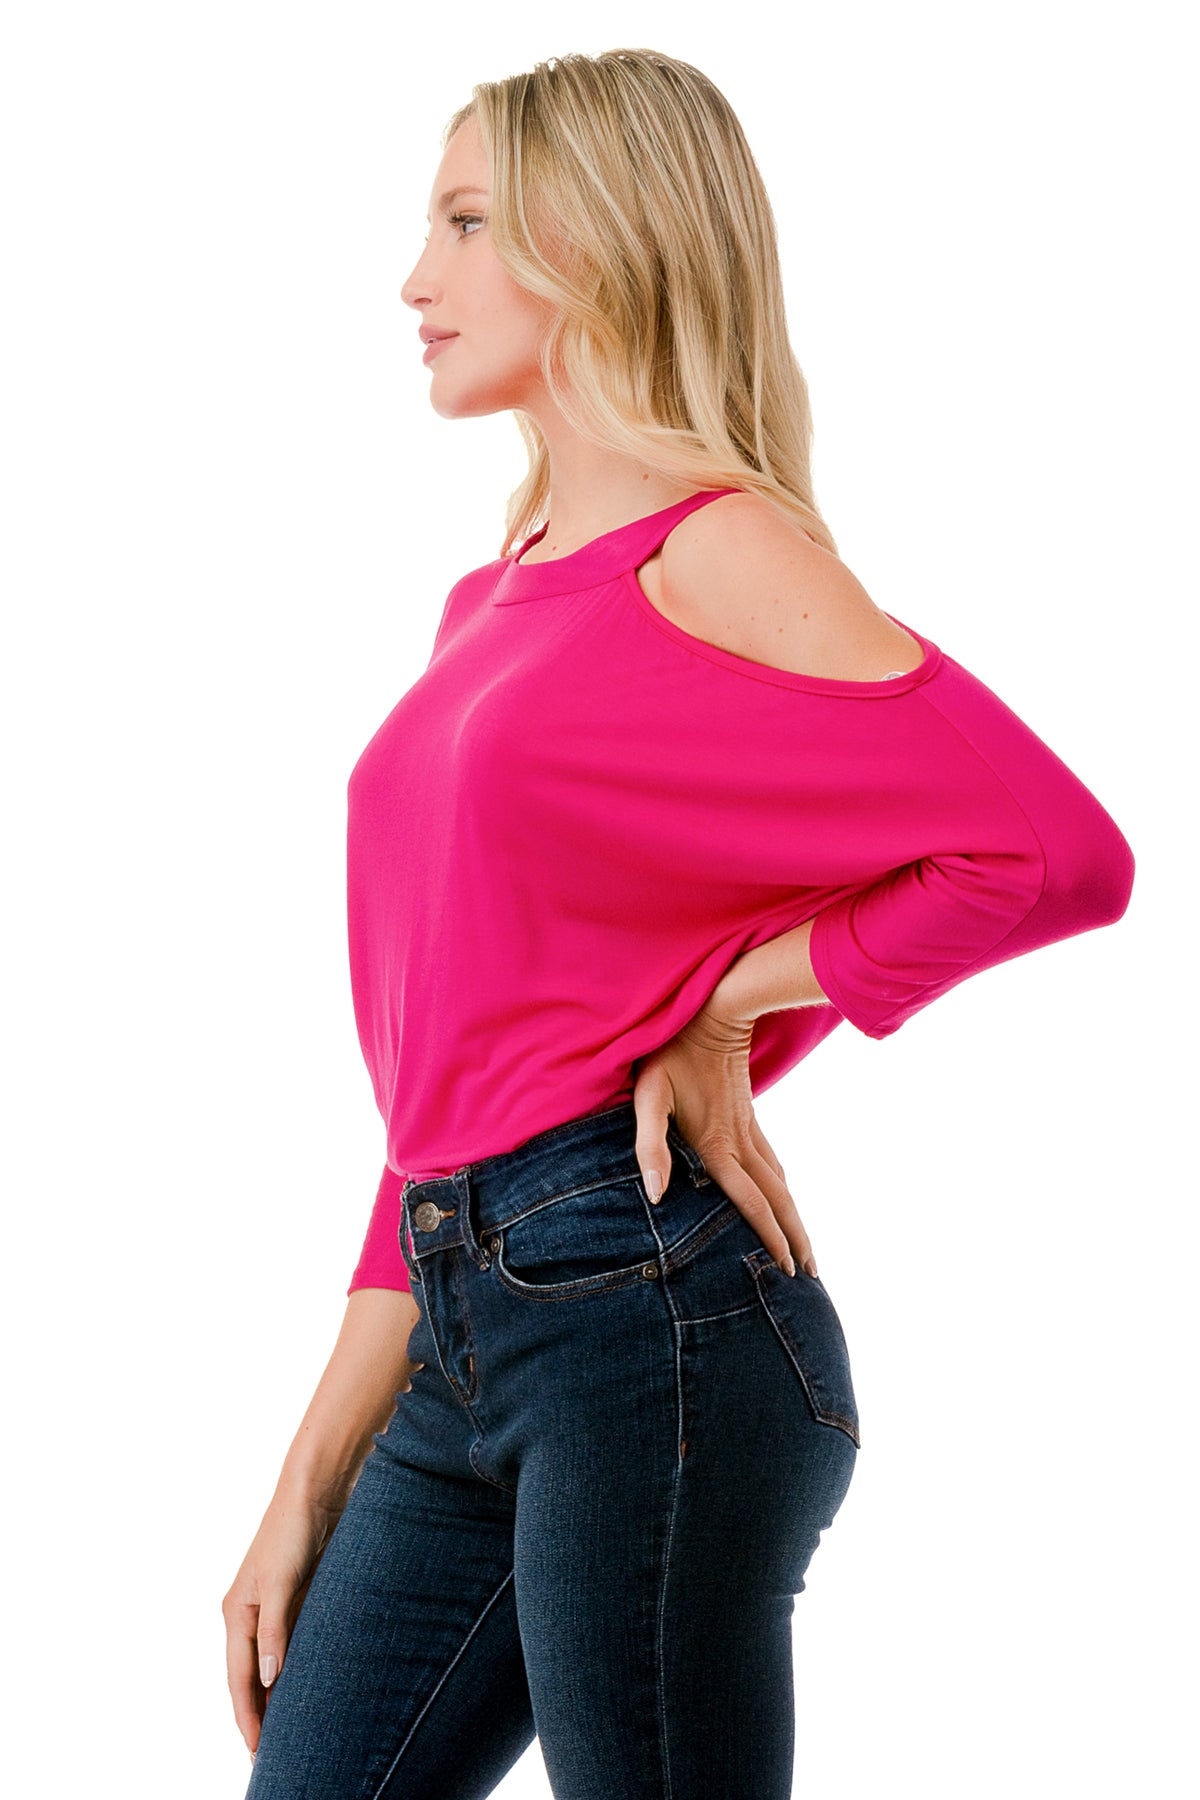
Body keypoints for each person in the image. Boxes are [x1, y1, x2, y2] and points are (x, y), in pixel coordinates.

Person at [223, 48, 1135, 1800]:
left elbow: (1051, 856)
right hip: (461, 1323)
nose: (414, 279)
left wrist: (732, 1004)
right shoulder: (484, 606)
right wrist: (304, 1476)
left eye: (465, 222)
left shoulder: (720, 554)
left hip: (648, 1326)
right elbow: (444, 1100)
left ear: (595, 239)